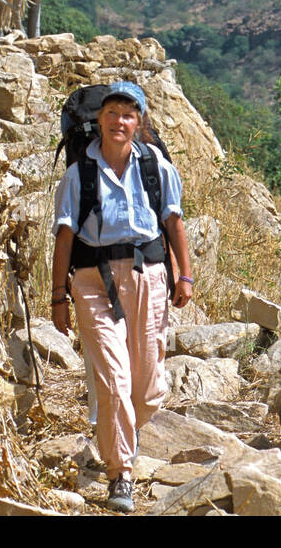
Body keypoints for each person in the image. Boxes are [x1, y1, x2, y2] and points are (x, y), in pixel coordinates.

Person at [49, 81, 194, 513]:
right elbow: (64, 236)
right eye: (112, 113)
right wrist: (58, 297)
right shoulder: (80, 174)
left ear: (139, 122)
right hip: (93, 282)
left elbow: (174, 223)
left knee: (147, 391)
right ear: (99, 119)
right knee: (114, 380)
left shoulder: (156, 168)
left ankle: (118, 434)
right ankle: (121, 474)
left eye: (128, 115)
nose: (119, 121)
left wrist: (184, 275)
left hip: (148, 277)